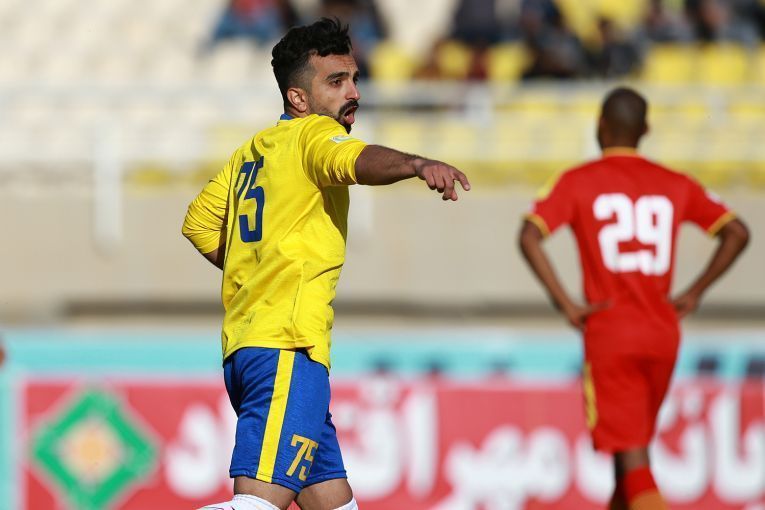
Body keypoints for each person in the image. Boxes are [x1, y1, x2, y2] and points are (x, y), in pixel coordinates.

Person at [182, 17, 470, 510]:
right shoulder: (316, 134)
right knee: (257, 506)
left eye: (354, 78)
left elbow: (199, 225)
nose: (352, 92)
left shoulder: (251, 153)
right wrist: (417, 164)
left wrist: (260, 270)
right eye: (336, 82)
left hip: (249, 349)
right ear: (298, 98)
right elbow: (356, 161)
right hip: (287, 348)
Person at [518, 87, 749, 510]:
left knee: (633, 457)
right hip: (662, 332)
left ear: (600, 126)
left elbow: (529, 235)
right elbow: (737, 232)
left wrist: (566, 304)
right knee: (629, 457)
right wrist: (694, 293)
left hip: (611, 332)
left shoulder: (578, 181)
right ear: (646, 130)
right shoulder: (676, 183)